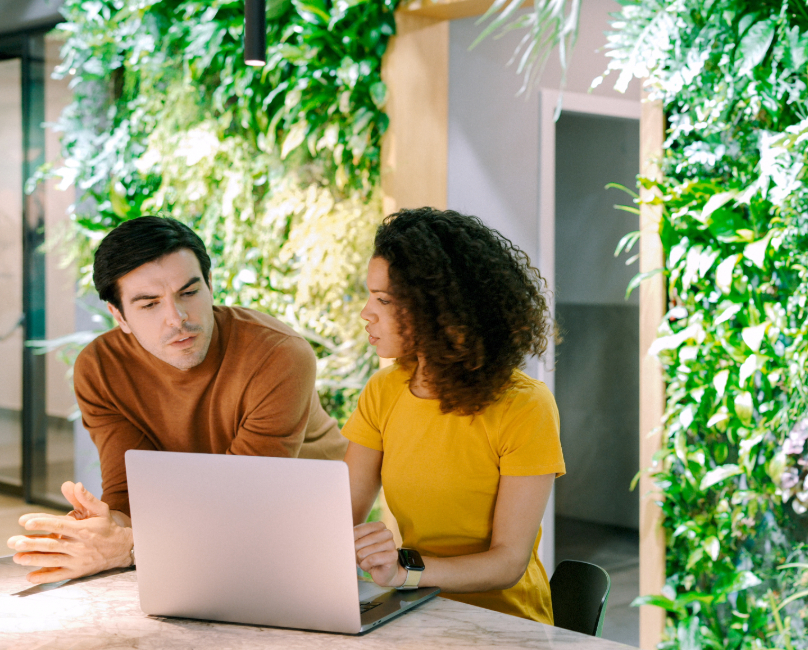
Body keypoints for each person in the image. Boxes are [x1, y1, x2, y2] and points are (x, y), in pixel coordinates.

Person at [7, 216, 347, 583]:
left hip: (307, 536)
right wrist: (103, 529)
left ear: (210, 285)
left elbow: (245, 502)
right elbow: (129, 495)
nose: (177, 318)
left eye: (189, 292)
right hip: (197, 538)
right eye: (149, 304)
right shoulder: (100, 368)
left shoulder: (278, 356)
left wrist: (131, 547)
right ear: (118, 315)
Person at [344, 208, 564, 624]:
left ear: (438, 309)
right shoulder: (383, 391)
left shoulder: (525, 406)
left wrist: (404, 570)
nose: (366, 313)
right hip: (415, 611)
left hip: (507, 624)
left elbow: (507, 563)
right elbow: (339, 515)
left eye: (384, 300)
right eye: (370, 295)